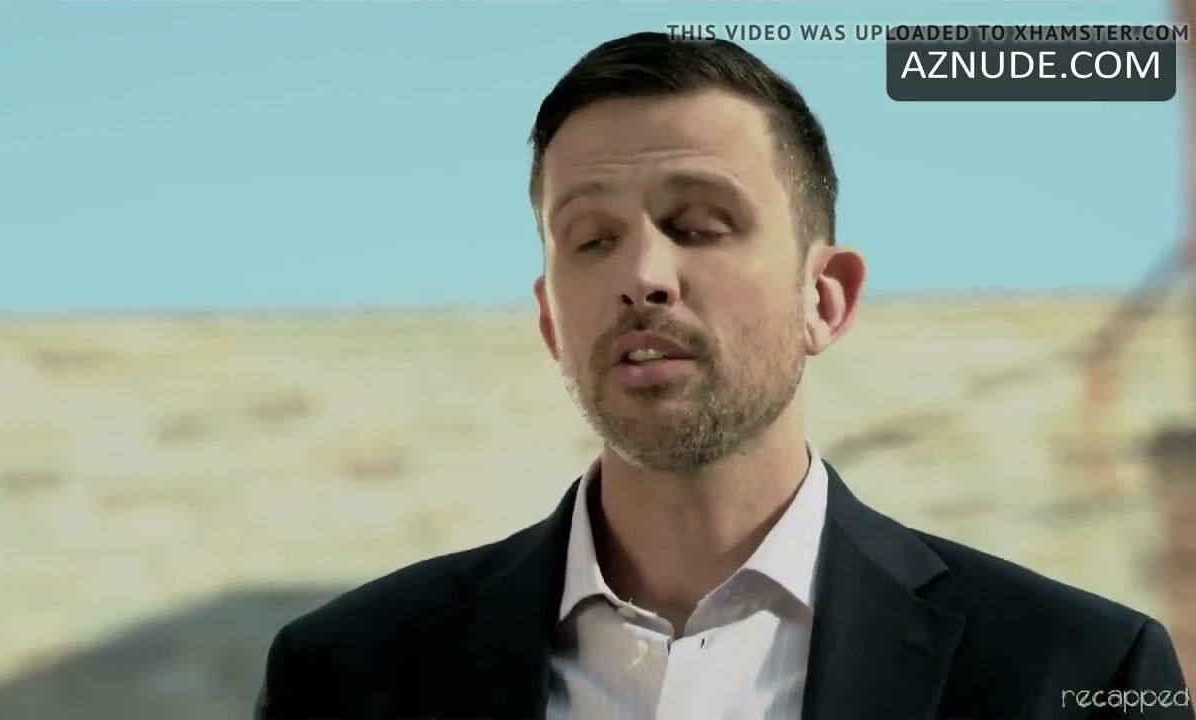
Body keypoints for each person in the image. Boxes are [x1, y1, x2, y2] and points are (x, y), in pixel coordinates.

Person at [256, 31, 1192, 719]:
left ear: (825, 298)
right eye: (592, 239)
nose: (643, 276)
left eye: (700, 226)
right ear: (550, 318)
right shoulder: (342, 675)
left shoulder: (1078, 673)